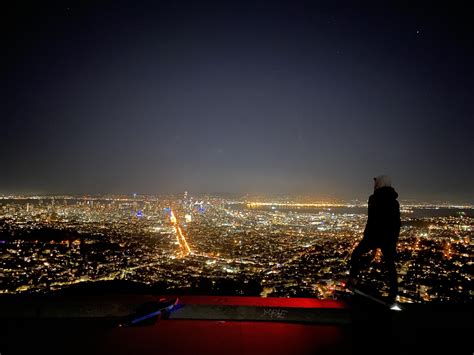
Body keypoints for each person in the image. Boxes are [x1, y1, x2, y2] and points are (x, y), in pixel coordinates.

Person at [348, 175, 401, 302]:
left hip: (374, 235)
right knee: (390, 265)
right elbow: (396, 223)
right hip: (388, 237)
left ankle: (353, 279)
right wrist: (393, 240)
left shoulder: (374, 199)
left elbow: (371, 219)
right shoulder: (394, 202)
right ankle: (393, 292)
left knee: (356, 254)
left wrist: (367, 236)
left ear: (379, 184)